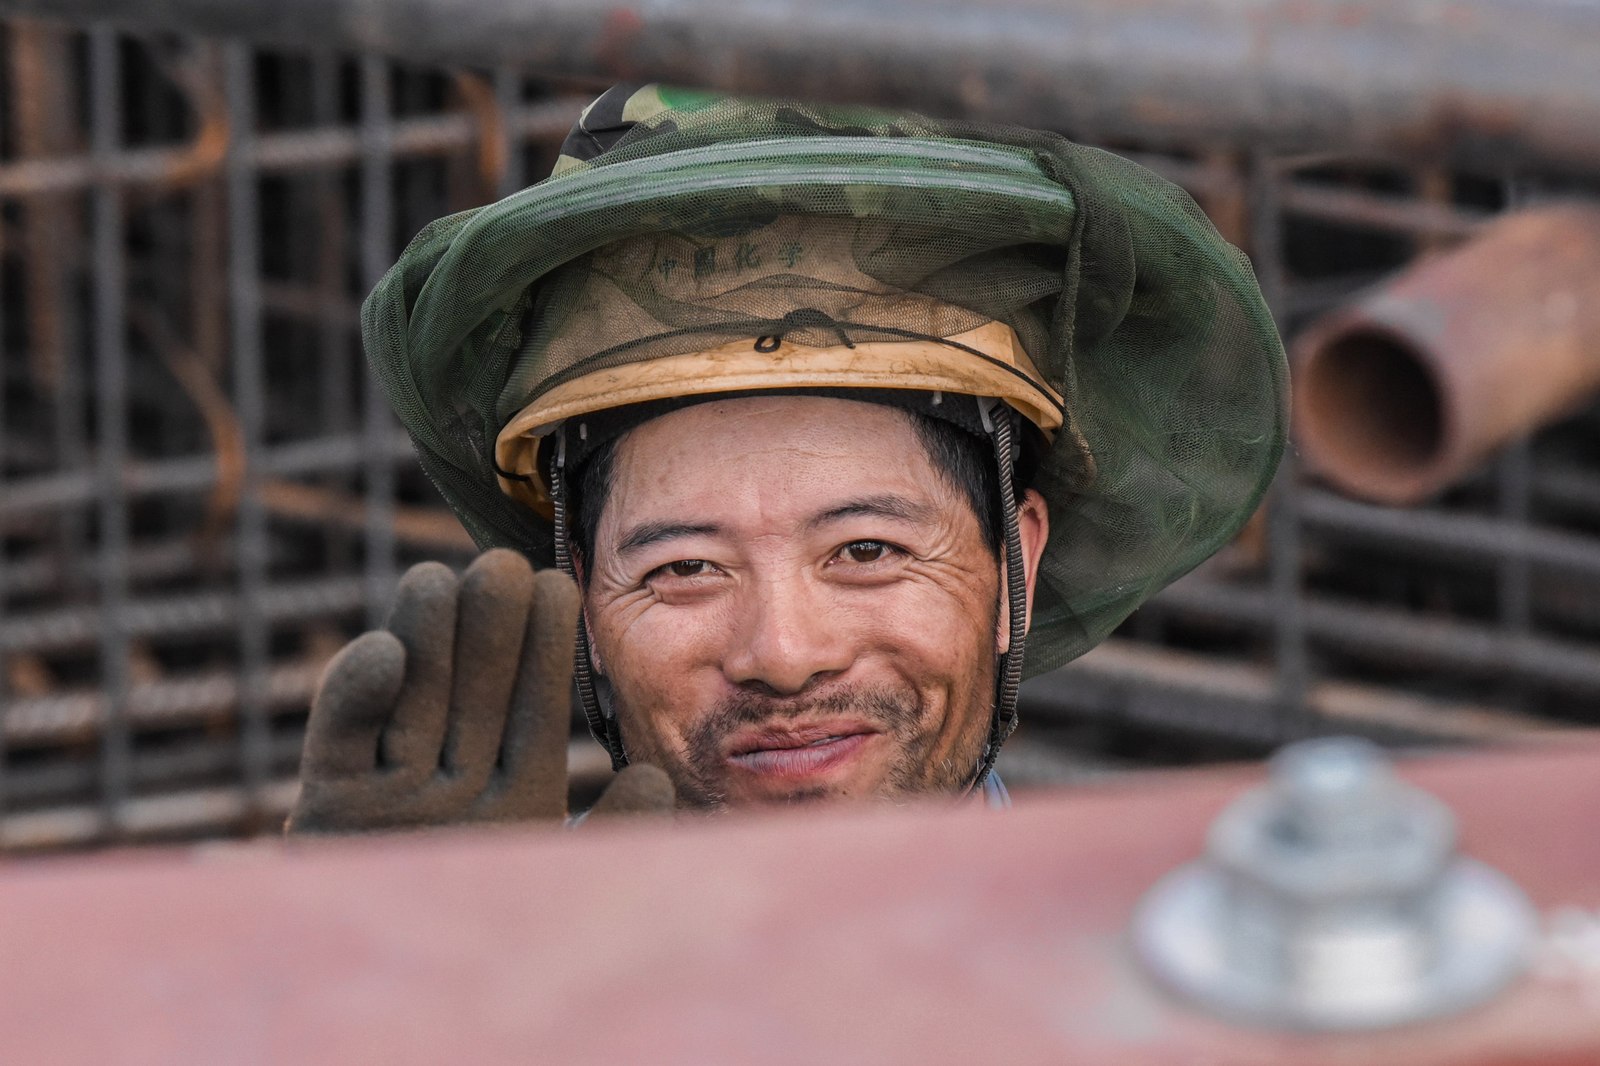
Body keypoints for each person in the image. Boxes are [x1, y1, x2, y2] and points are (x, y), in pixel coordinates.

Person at [287, 85, 1286, 832]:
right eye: (684, 568)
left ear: (1015, 562)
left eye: (865, 549)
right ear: (584, 601)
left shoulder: (1178, 975)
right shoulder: (476, 965)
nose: (783, 655)